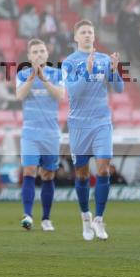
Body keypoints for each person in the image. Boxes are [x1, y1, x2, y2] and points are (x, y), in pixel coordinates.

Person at [62, 20, 124, 241]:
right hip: (78, 124)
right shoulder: (69, 62)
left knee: (104, 169)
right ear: (76, 37)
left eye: (90, 32)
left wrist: (115, 71)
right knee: (82, 174)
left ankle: (98, 219)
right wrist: (87, 72)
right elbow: (73, 93)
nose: (88, 35)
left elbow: (118, 89)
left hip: (101, 122)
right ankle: (85, 217)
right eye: (83, 32)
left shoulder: (105, 59)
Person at [15, 39, 64, 230]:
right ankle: (27, 215)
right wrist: (32, 76)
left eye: (41, 51)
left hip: (50, 132)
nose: (38, 55)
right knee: (29, 170)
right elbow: (19, 96)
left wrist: (43, 78)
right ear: (29, 56)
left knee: (48, 174)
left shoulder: (57, 73)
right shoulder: (22, 74)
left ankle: (46, 218)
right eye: (34, 52)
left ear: (47, 54)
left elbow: (60, 96)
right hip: (30, 133)